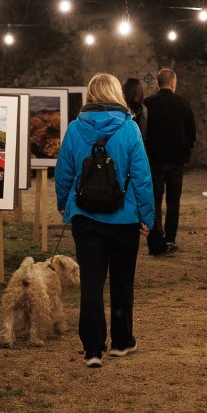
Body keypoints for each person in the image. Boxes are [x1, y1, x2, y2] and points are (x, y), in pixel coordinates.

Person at [55, 72, 154, 367]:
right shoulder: (130, 128)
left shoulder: (74, 129)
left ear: (90, 95)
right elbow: (141, 177)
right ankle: (122, 342)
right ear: (116, 94)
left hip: (86, 217)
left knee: (91, 283)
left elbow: (64, 172)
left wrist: (64, 205)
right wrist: (146, 216)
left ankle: (93, 349)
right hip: (124, 218)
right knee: (123, 282)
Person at [142, 68, 197, 255]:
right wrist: (186, 149)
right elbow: (191, 132)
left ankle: (156, 238)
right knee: (174, 201)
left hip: (155, 160)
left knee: (155, 200)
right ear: (173, 83)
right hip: (176, 160)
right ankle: (170, 239)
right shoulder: (182, 103)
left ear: (158, 83)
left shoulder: (149, 103)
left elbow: (144, 131)